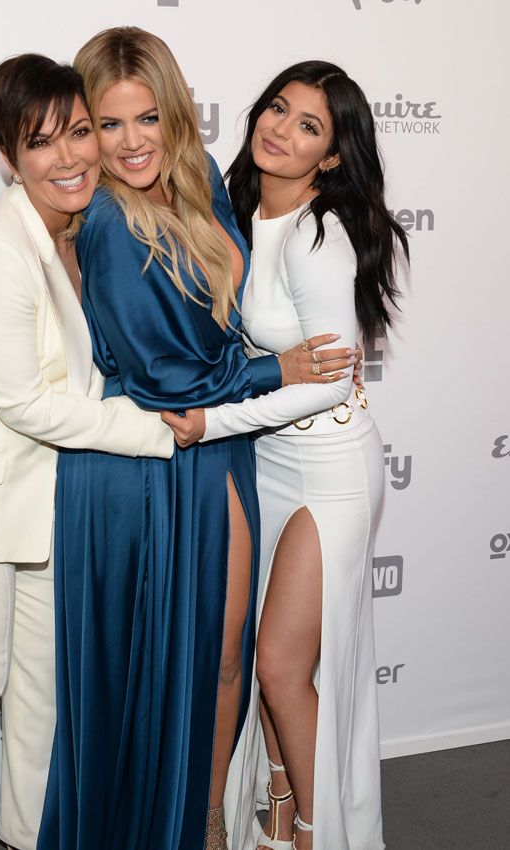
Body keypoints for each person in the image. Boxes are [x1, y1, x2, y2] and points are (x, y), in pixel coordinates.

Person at [37, 31, 356, 850]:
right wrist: (274, 372)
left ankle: (206, 816)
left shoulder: (203, 178)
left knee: (222, 663)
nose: (133, 141)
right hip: (152, 458)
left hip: (217, 444)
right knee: (157, 669)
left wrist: (259, 374)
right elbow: (164, 382)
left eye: (148, 118)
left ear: (173, 113)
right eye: (109, 126)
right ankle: (165, 826)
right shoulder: (108, 220)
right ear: (87, 131)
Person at [0, 53, 176, 850]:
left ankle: (28, 837)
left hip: (38, 504)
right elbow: (25, 403)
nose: (70, 156)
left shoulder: (83, 230)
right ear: (7, 155)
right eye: (41, 142)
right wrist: (163, 431)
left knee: (42, 692)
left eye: (80, 132)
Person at [163, 61, 409, 850]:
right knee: (272, 662)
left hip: (330, 466)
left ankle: (313, 832)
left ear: (331, 158)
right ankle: (273, 810)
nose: (281, 128)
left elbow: (327, 386)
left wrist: (210, 422)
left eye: (309, 126)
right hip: (265, 464)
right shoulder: (236, 212)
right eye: (278, 108)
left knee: (277, 665)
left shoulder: (316, 233)